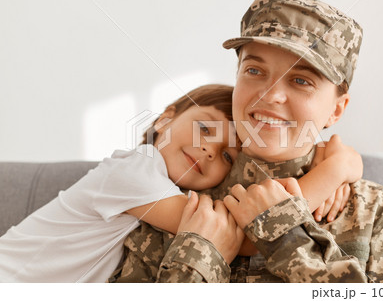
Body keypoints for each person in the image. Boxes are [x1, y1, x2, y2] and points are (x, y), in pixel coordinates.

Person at [111, 0, 383, 283]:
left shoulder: (374, 213)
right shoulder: (171, 196)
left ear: (336, 110)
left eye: (301, 80)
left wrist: (286, 237)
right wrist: (202, 253)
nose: (270, 94)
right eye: (254, 71)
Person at [0, 84, 240, 282]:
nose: (210, 149)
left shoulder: (161, 188)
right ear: (165, 120)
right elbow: (215, 226)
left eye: (227, 156)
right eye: (204, 127)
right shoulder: (135, 169)